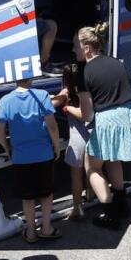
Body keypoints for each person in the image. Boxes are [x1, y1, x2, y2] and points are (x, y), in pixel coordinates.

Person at [75, 23, 131, 229]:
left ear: (86, 47)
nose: (73, 50)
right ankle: (122, 203)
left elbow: (87, 114)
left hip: (108, 120)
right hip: (129, 113)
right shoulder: (115, 63)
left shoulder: (83, 73)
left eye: (76, 46)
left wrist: (69, 109)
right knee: (114, 159)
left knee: (92, 167)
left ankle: (110, 214)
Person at [0, 76, 60, 243]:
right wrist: (56, 145)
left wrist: (7, 148)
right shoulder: (42, 95)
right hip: (44, 153)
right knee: (46, 194)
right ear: (31, 78)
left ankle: (31, 232)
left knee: (28, 197)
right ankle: (47, 228)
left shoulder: (6, 100)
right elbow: (52, 125)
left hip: (21, 157)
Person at [52, 63, 91, 219]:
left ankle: (78, 208)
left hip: (77, 142)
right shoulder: (90, 91)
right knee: (94, 171)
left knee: (76, 177)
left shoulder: (67, 93)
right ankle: (91, 193)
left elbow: (51, 103)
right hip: (94, 137)